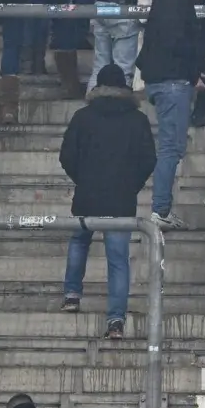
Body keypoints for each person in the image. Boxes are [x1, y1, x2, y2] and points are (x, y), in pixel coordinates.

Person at [59, 64, 157, 337]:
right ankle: (115, 319)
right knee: (117, 260)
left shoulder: (82, 117)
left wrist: (83, 178)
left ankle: (72, 295)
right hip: (120, 199)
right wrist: (130, 185)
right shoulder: (137, 120)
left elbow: (66, 156)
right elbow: (149, 159)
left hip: (87, 195)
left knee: (79, 242)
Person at [137, 0, 205, 229]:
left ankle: (162, 208)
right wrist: (204, 52)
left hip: (165, 80)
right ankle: (160, 209)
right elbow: (175, 42)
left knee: (170, 147)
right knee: (171, 148)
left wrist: (193, 76)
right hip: (171, 83)